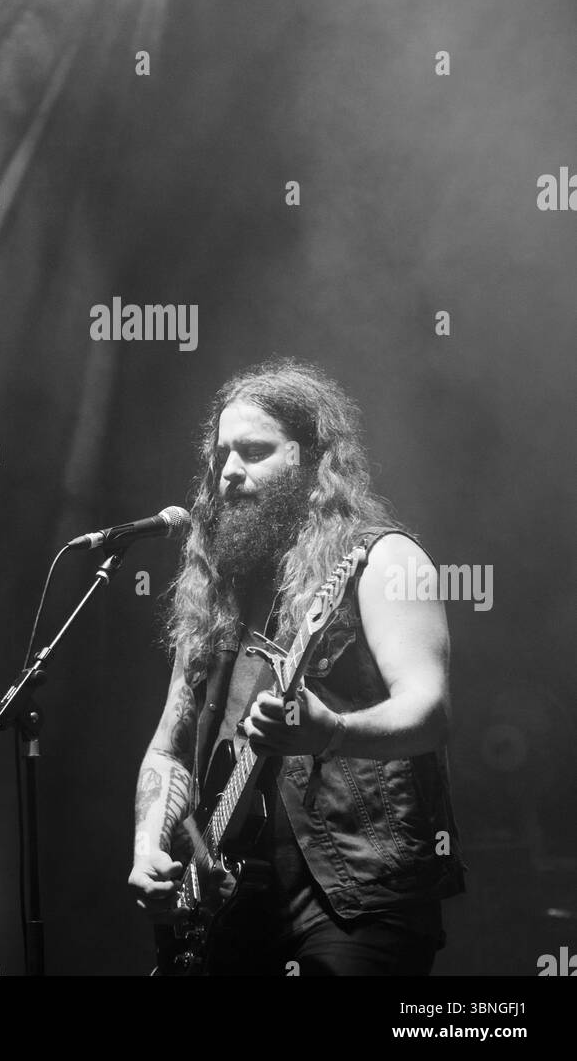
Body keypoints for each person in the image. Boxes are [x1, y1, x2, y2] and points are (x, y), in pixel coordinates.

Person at [129, 357, 465, 976]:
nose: (229, 472)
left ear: (312, 460)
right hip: (229, 902)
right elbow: (169, 750)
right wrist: (149, 843)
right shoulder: (213, 593)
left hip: (358, 891)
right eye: (221, 455)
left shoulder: (384, 559)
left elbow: (430, 710)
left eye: (254, 452)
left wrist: (332, 731)